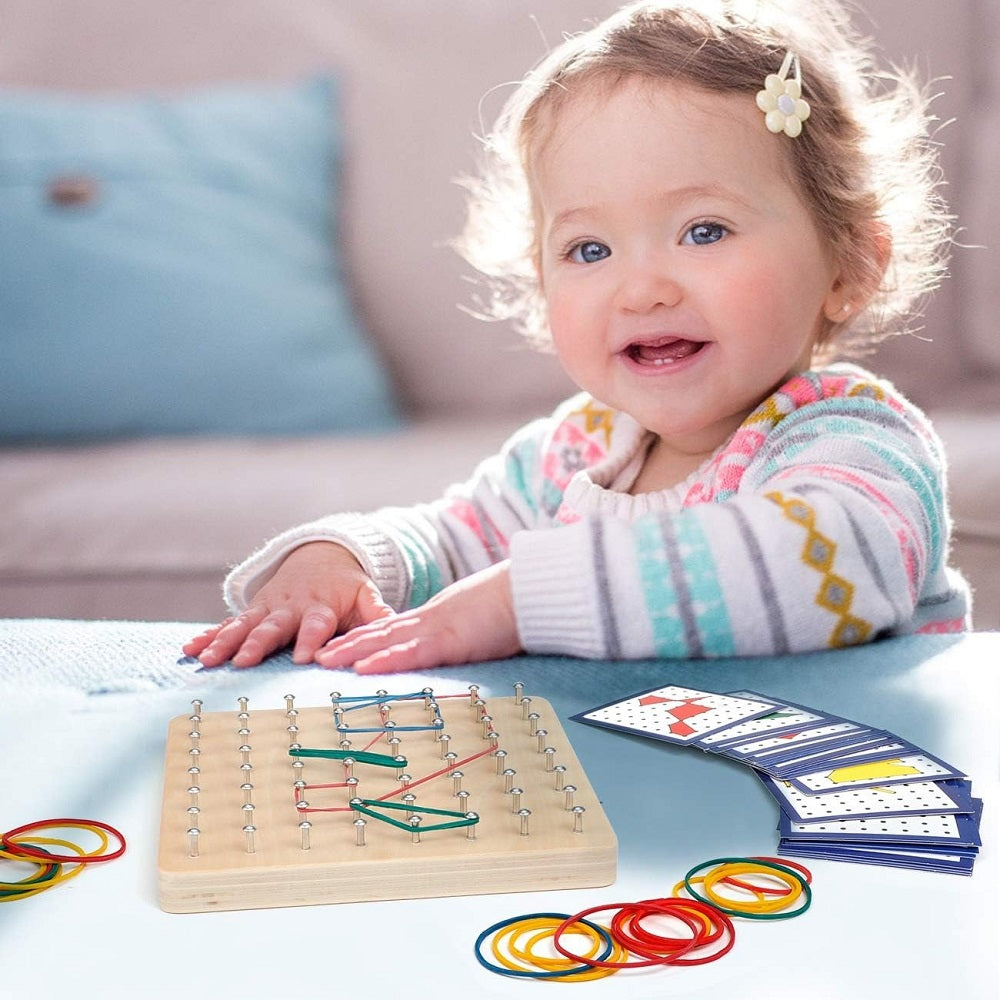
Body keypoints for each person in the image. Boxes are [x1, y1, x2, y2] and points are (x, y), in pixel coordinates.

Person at [185, 0, 970, 675]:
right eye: (589, 250)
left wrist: (526, 601)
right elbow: (453, 543)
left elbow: (816, 566)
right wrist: (346, 560)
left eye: (703, 230)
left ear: (848, 267)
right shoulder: (573, 455)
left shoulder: (851, 440)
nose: (642, 288)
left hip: (836, 816)